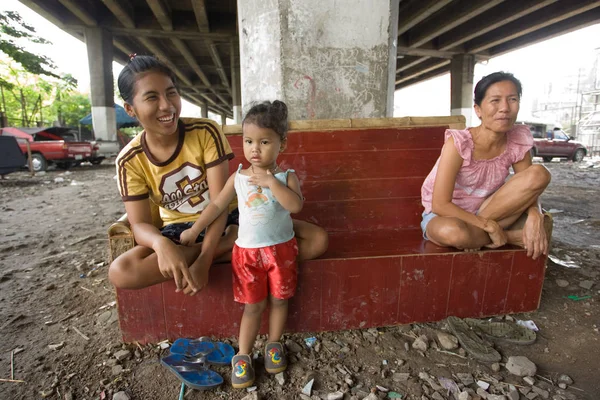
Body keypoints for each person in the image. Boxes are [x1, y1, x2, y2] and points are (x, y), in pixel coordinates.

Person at [108, 55, 328, 296]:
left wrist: (204, 260)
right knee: (121, 271)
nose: (167, 105)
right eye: (152, 97)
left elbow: (219, 204)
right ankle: (233, 247)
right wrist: (161, 245)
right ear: (130, 109)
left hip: (236, 218)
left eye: (171, 93)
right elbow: (138, 224)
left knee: (316, 240)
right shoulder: (130, 160)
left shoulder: (205, 132)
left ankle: (226, 247)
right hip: (179, 233)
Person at [179, 100, 299, 388]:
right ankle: (243, 355)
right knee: (252, 305)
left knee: (280, 300)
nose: (254, 148)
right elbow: (217, 205)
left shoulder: (286, 176)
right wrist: (195, 229)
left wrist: (272, 184)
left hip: (281, 250)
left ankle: (273, 344)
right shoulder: (239, 177)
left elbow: (295, 206)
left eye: (264, 141)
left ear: (281, 143)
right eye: (248, 141)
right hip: (246, 254)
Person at [420, 71, 551, 259]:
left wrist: (535, 215)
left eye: (512, 99)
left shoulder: (517, 139)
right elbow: (440, 204)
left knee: (539, 173)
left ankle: (483, 238)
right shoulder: (459, 143)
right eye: (495, 100)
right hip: (449, 216)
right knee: (453, 233)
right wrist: (488, 226)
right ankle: (507, 237)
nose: (504, 108)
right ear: (478, 110)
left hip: (493, 211)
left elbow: (530, 187)